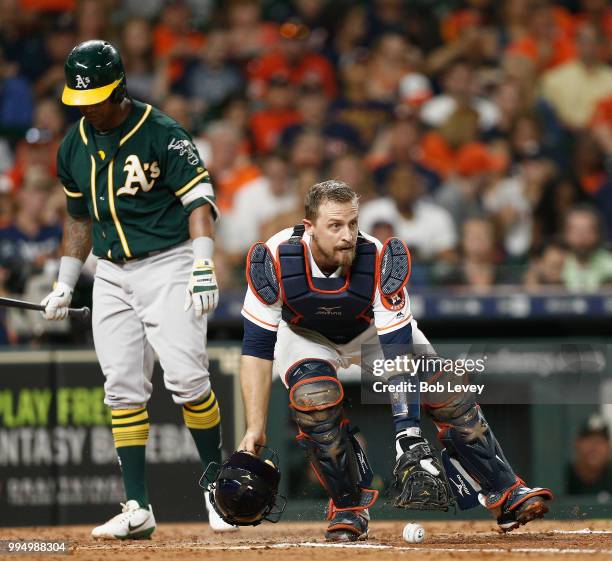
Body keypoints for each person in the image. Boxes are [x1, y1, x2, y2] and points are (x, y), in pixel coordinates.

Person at [237, 180, 552, 541]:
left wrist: (408, 433)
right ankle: (348, 508)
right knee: (314, 398)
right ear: (310, 228)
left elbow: (397, 355)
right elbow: (257, 349)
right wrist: (255, 427)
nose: (347, 235)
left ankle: (506, 492)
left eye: (353, 223)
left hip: (372, 335)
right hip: (307, 338)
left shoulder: (380, 260)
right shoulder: (274, 259)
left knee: (447, 388)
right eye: (335, 225)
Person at [39, 40, 234, 539]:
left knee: (188, 379)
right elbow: (78, 220)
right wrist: (64, 283)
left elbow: (198, 201)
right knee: (122, 386)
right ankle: (137, 507)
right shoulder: (72, 146)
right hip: (110, 272)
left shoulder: (162, 132)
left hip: (168, 263)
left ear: (120, 88)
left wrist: (202, 262)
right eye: (81, 100)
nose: (88, 108)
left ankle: (217, 490)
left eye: (97, 98)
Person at [566, 414, 612, 496]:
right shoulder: (564, 477)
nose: (594, 446)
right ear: (576, 444)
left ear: (608, 447)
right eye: (588, 439)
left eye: (600, 441)